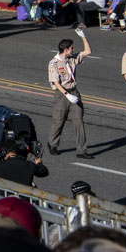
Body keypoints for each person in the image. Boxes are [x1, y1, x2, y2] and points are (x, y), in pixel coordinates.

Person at [48, 31, 94, 159]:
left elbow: (88, 51)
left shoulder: (72, 58)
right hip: (62, 94)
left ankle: (81, 150)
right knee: (59, 120)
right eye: (71, 48)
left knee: (79, 120)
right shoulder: (54, 63)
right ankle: (53, 143)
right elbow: (55, 82)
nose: (73, 49)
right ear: (65, 49)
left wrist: (83, 37)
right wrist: (67, 95)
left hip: (74, 91)